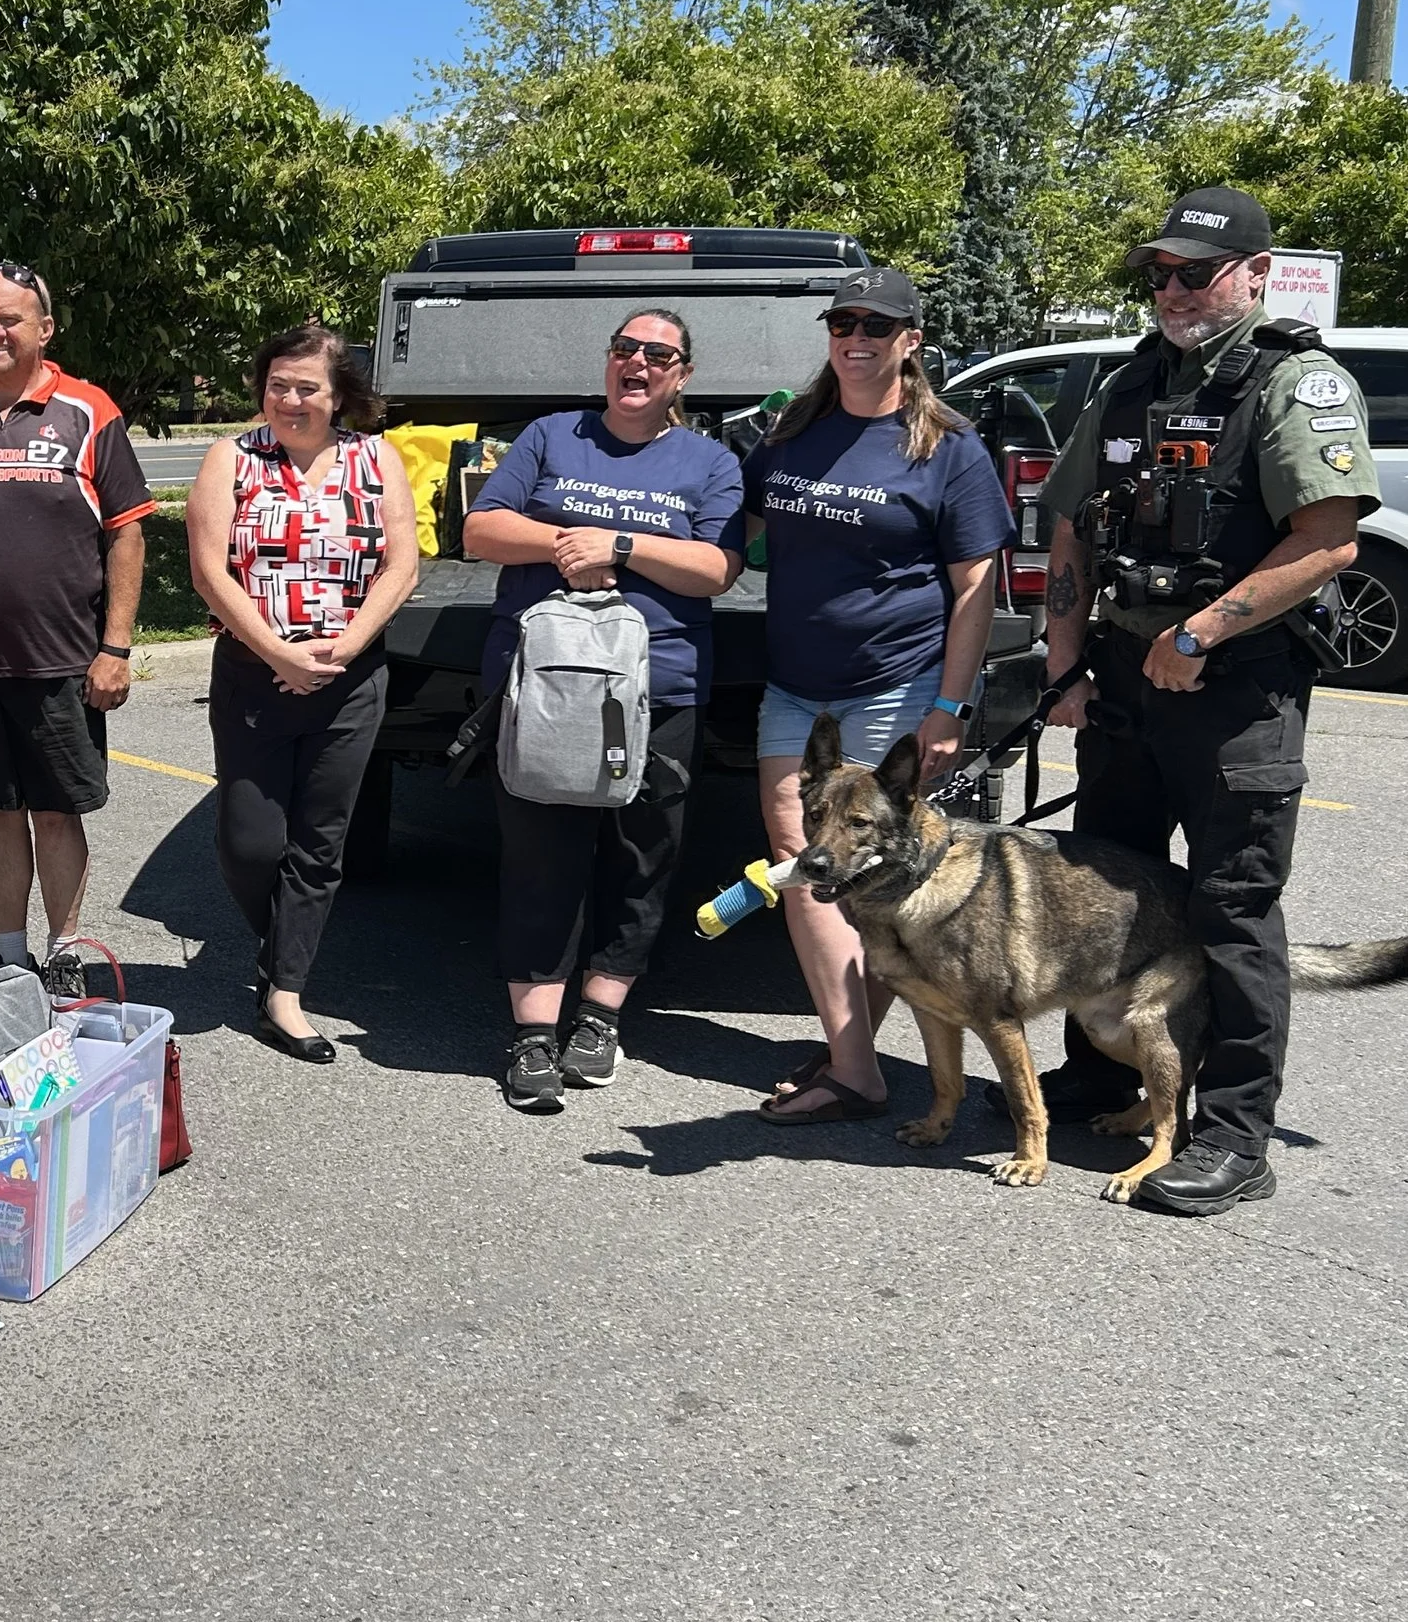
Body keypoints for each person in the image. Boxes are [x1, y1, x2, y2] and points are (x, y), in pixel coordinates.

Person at [1028, 187, 1376, 1215]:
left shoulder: (1291, 381)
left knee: (1230, 913)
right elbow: (1068, 535)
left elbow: (1327, 542)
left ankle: (1233, 1135)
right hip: (1124, 686)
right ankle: (1097, 1074)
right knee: (1110, 896)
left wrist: (1197, 633)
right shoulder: (1131, 384)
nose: (1172, 290)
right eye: (1160, 273)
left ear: (1255, 274)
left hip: (1234, 693)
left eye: (1196, 271)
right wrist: (1064, 663)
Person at [743, 267, 1015, 1123]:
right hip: (795, 686)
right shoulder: (792, 431)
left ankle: (858, 1059)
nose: (856, 338)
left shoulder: (948, 447)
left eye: (876, 325)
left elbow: (976, 585)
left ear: (911, 341)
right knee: (802, 858)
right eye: (842, 324)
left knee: (868, 870)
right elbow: (739, 530)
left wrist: (951, 706)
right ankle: (855, 1061)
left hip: (892, 685)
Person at [464, 309, 745, 1111]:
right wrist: (567, 545)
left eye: (659, 354)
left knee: (640, 857)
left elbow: (716, 567)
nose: (639, 363)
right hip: (547, 685)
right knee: (540, 859)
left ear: (681, 375)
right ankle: (531, 1035)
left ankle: (600, 1016)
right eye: (626, 349)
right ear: (608, 360)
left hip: (658, 691)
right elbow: (482, 528)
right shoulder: (554, 434)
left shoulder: (710, 462)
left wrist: (617, 546)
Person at [0, 262, 155, 992]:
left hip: (65, 661)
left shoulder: (88, 410)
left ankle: (64, 949)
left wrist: (115, 648)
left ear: (45, 328)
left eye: (11, 319)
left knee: (54, 811)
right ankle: (9, 954)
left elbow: (129, 534)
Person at [186, 323, 419, 1064]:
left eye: (307, 387)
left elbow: (401, 567)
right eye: (278, 384)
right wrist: (279, 651)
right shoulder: (232, 457)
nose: (290, 398)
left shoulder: (375, 458)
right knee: (248, 842)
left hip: (350, 680)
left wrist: (344, 650)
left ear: (339, 394)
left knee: (321, 843)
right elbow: (210, 571)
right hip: (256, 671)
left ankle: (283, 991)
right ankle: (284, 941)